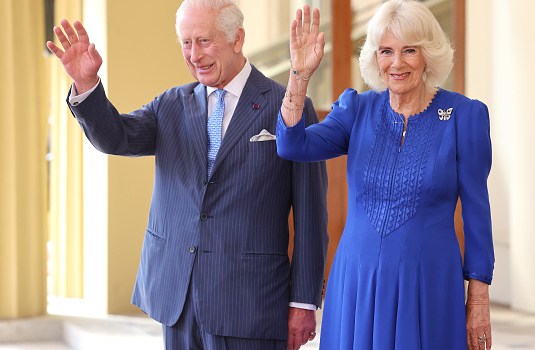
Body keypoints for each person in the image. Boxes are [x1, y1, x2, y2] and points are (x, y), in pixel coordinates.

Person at [46, 0, 328, 349]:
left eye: (204, 41)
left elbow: (311, 214)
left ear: (237, 39)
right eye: (185, 42)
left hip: (250, 303)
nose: (193, 54)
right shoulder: (170, 104)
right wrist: (86, 85)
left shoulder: (287, 106)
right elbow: (115, 136)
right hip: (177, 297)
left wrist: (303, 302)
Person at [276, 1, 495, 349]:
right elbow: (293, 145)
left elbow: (477, 214)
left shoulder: (463, 117)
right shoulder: (356, 109)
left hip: (428, 284)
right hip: (357, 282)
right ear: (375, 58)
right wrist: (300, 75)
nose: (396, 63)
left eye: (409, 50)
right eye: (386, 51)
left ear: (428, 55)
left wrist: (478, 299)